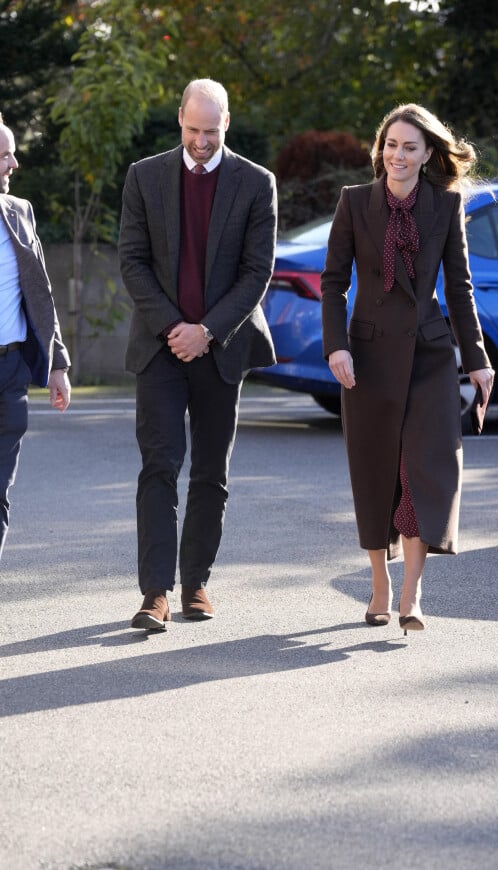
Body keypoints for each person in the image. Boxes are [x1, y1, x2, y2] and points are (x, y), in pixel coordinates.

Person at [321, 103, 494, 636]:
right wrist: (337, 347)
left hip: (429, 356)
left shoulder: (444, 207)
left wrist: (478, 359)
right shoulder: (354, 203)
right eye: (391, 145)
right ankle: (379, 587)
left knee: (422, 472)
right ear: (381, 150)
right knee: (374, 473)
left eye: (410, 147)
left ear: (427, 155)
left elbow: (459, 289)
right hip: (367, 360)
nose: (398, 155)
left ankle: (413, 596)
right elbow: (334, 282)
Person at [118, 78, 277, 631]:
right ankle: (154, 594)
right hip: (160, 350)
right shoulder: (145, 176)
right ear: (179, 120)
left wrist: (206, 330)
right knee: (158, 467)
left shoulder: (257, 183)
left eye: (211, 131)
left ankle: (196, 584)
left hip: (222, 348)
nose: (201, 141)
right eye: (192, 130)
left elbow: (257, 272)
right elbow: (132, 261)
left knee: (211, 471)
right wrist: (175, 329)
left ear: (226, 123)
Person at [0, 114, 71, 560]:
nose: (14, 162)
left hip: (10, 370)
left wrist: (58, 364)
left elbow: (40, 294)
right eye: (4, 155)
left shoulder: (19, 213)